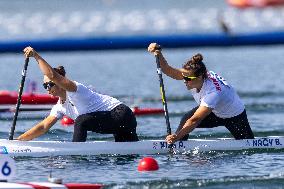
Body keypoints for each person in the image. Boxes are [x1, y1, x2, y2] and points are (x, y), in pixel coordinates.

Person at [17, 46, 139, 142]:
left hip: (121, 114)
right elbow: (43, 127)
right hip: (113, 123)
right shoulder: (59, 107)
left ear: (59, 83)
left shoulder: (75, 89)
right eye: (45, 86)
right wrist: (18, 141)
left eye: (50, 84)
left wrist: (36, 56)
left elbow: (53, 76)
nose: (47, 88)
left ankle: (76, 154)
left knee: (81, 121)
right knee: (125, 156)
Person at [147, 43, 254, 144]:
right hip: (215, 111)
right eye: (184, 76)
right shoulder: (193, 75)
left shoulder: (213, 93)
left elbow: (195, 121)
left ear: (200, 77)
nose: (184, 80)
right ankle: (179, 147)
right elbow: (169, 70)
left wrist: (176, 136)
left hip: (234, 115)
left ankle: (176, 139)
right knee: (185, 120)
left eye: (187, 78)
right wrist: (158, 54)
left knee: (249, 144)